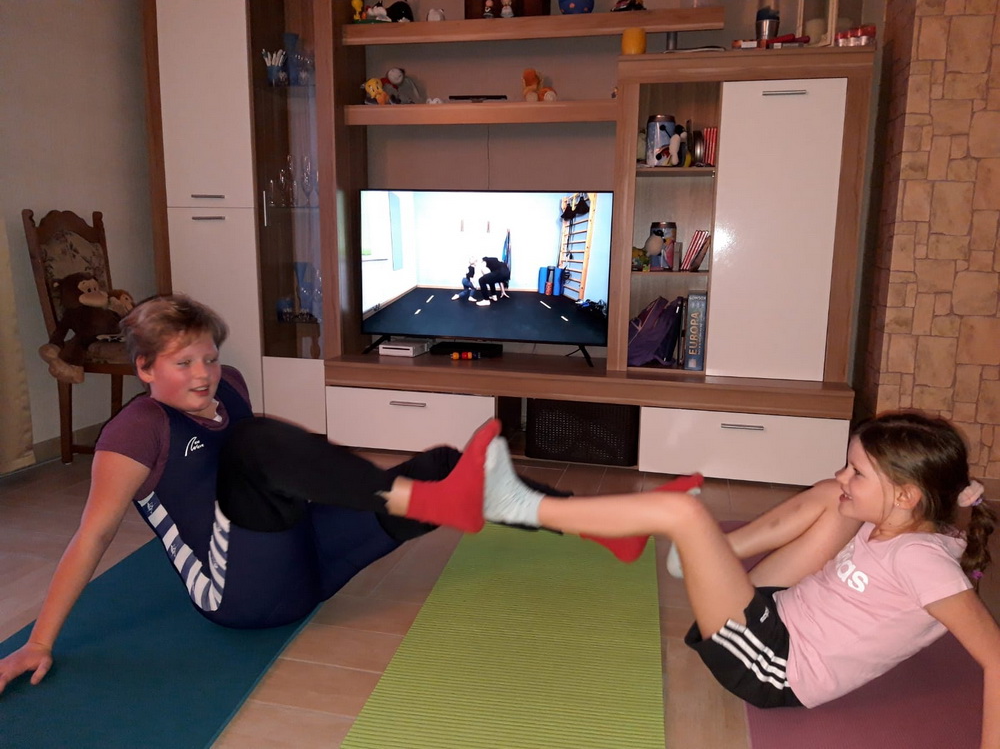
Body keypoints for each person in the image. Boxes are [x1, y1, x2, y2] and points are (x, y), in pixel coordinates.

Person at [0, 294, 505, 694]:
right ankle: (413, 500)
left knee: (441, 466)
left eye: (210, 358)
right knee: (256, 442)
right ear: (146, 368)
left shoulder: (232, 387)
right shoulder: (137, 428)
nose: (203, 374)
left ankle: (547, 510)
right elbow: (93, 535)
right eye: (183, 362)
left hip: (308, 567)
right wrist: (39, 642)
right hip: (240, 597)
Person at [482, 411, 1000, 745]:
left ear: (907, 495)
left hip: (773, 666)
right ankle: (708, 555)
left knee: (684, 515)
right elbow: (917, 515)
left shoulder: (921, 562)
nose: (844, 475)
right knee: (830, 497)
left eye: (857, 472)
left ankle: (521, 506)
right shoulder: (912, 518)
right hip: (781, 612)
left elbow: (995, 659)